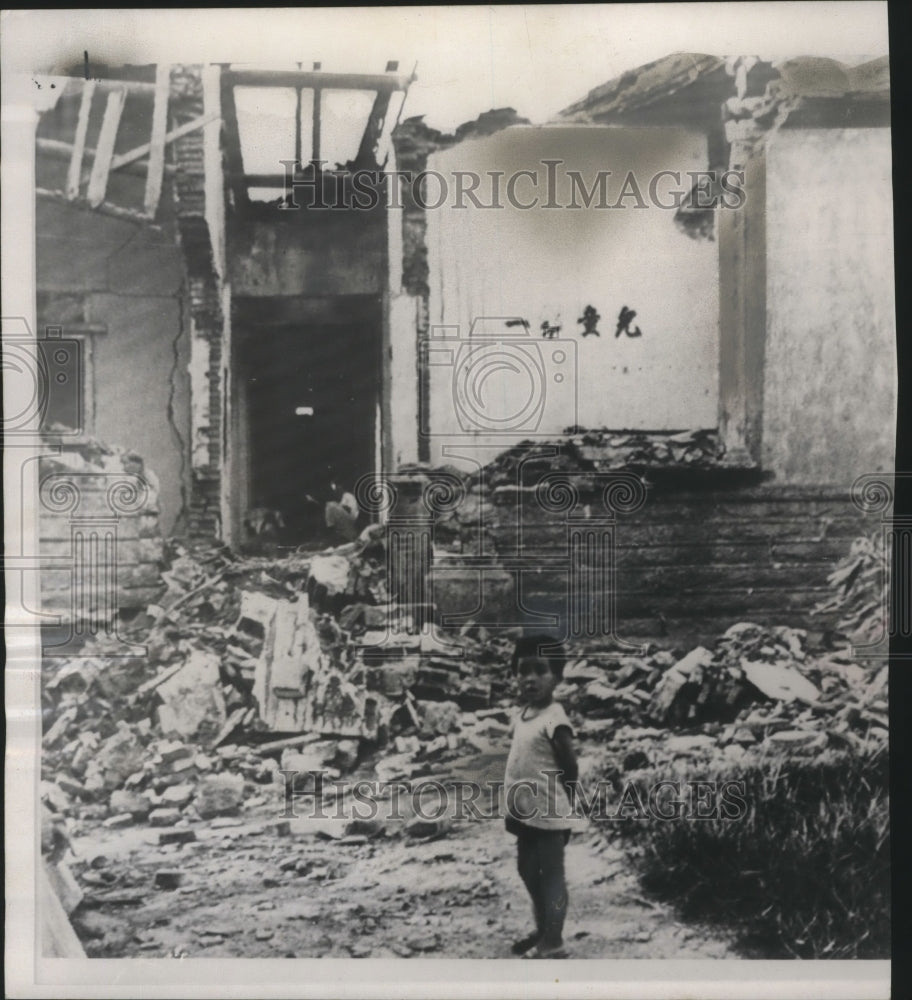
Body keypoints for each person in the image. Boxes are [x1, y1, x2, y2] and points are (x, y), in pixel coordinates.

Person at [503, 634, 578, 959]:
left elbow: (569, 765)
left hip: (549, 812)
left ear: (557, 677)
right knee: (527, 870)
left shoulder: (555, 718)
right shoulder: (523, 714)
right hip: (523, 811)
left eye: (540, 671)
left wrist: (566, 801)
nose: (530, 678)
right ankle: (544, 927)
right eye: (523, 671)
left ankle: (554, 940)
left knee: (552, 875)